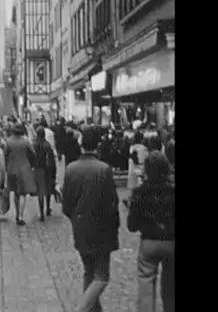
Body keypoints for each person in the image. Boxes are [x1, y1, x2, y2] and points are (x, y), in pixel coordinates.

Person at [62, 128, 120, 312]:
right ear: (97, 145)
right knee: (101, 276)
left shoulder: (71, 168)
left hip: (80, 226)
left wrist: (75, 218)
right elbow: (112, 202)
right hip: (101, 227)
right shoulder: (103, 169)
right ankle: (82, 309)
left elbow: (66, 203)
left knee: (89, 271)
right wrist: (114, 226)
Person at [126, 151, 175, 312]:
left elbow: (131, 225)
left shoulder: (141, 192)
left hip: (149, 241)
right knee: (171, 286)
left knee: (146, 282)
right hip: (171, 241)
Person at [4, 123, 37, 226]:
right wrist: (31, 164)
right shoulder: (26, 141)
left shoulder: (8, 141)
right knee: (22, 193)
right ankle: (20, 216)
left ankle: (17, 213)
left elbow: (5, 154)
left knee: (15, 193)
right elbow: (33, 153)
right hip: (24, 168)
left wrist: (6, 167)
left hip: (12, 168)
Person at [33, 127, 57, 220]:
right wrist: (54, 172)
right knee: (48, 190)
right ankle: (47, 208)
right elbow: (52, 161)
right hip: (47, 170)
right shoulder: (47, 145)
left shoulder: (34, 145)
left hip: (38, 169)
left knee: (40, 191)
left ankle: (41, 212)